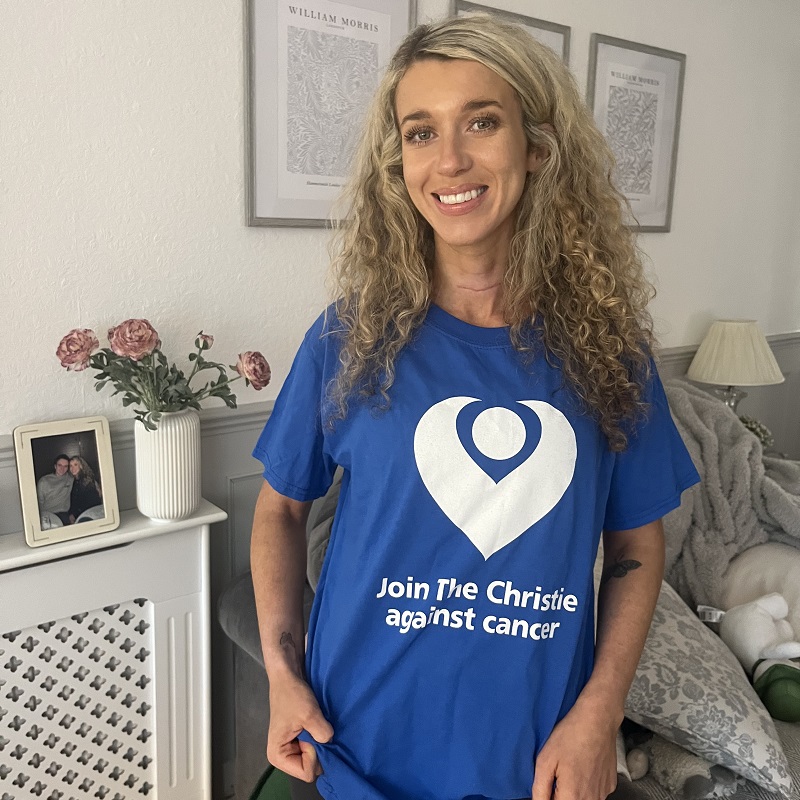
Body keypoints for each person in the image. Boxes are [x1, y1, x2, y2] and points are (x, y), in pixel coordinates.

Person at [250, 14, 700, 800]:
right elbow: (280, 512)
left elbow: (636, 543)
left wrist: (600, 712)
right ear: (399, 164)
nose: (449, 160)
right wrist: (283, 676)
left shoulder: (608, 350)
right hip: (348, 748)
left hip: (530, 764)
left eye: (481, 122)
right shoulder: (347, 339)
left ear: (537, 145)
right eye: (420, 133)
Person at [37, 453, 73, 526]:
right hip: (47, 514)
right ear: (55, 466)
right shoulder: (44, 481)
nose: (62, 469)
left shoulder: (70, 478)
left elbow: (84, 476)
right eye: (60, 465)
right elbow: (39, 501)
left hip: (63, 514)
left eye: (65, 466)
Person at [68, 455, 103, 523]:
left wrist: (74, 515)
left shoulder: (86, 481)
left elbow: (89, 503)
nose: (73, 468)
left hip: (90, 514)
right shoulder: (76, 480)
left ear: (81, 466)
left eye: (75, 465)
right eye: (71, 466)